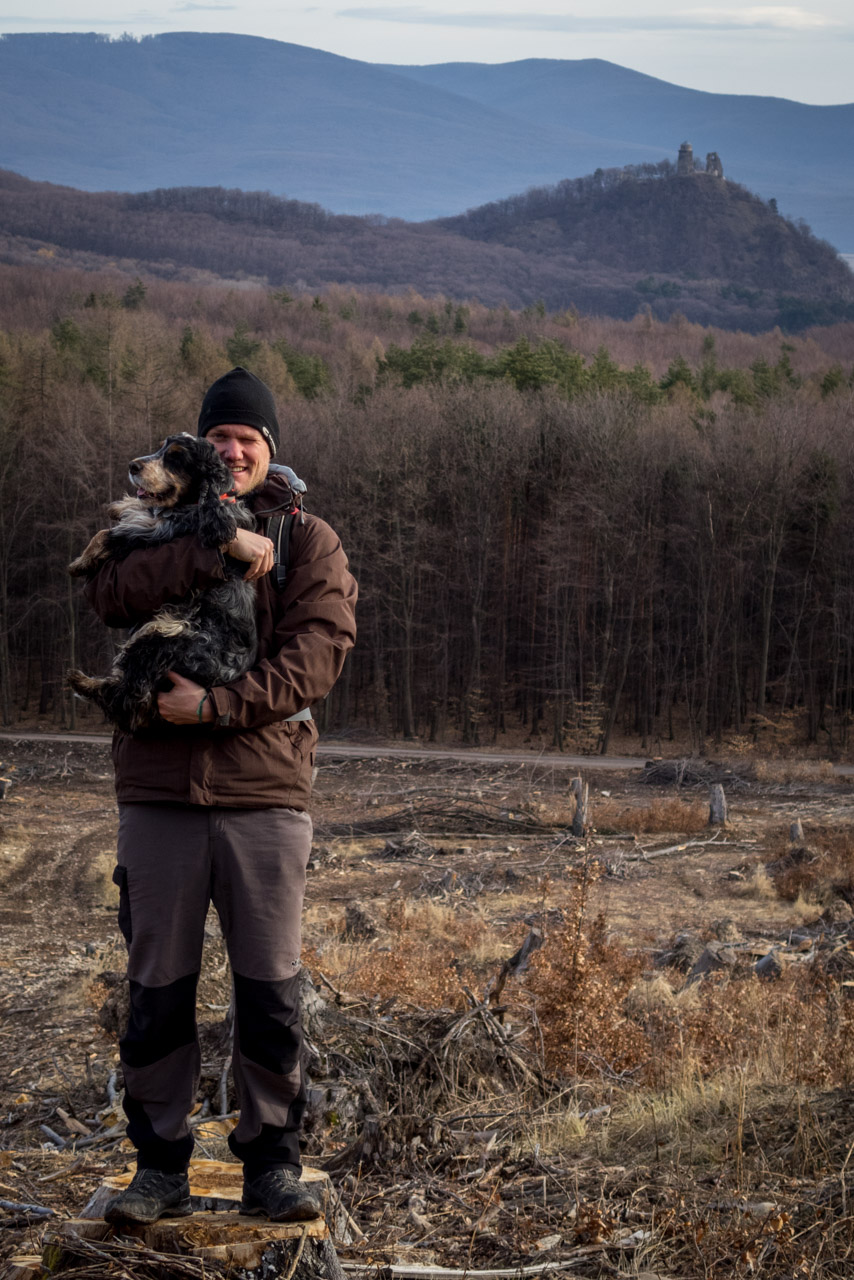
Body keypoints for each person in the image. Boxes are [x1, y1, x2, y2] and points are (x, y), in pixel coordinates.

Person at [83, 367, 357, 1225]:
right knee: (157, 988)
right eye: (220, 439)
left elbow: (319, 651)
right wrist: (215, 548)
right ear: (201, 449)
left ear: (271, 450)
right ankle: (159, 1168)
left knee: (269, 989)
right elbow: (109, 593)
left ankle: (271, 1166)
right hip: (159, 795)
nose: (233, 450)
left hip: (265, 797)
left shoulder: (309, 539)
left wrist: (216, 706)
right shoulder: (153, 527)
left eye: (249, 438)